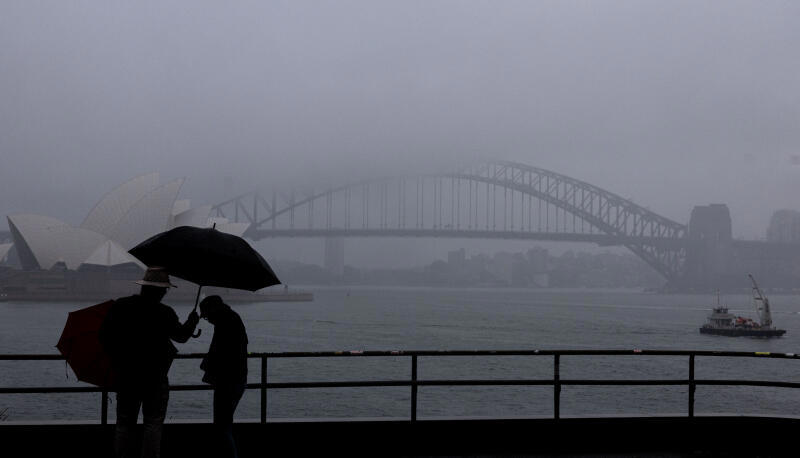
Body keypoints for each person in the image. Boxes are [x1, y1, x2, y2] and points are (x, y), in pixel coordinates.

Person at [99, 267, 199, 458]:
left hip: (126, 376)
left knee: (124, 423)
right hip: (156, 377)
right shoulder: (165, 313)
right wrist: (192, 321)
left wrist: (119, 358)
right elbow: (181, 336)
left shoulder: (121, 306)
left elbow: (104, 336)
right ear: (162, 290)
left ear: (144, 286)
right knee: (153, 424)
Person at [198, 295, 248, 458]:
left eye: (206, 315)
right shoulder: (232, 319)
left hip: (227, 382)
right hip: (237, 379)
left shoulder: (224, 324)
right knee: (225, 425)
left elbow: (219, 353)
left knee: (221, 426)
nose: (206, 319)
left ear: (213, 310)